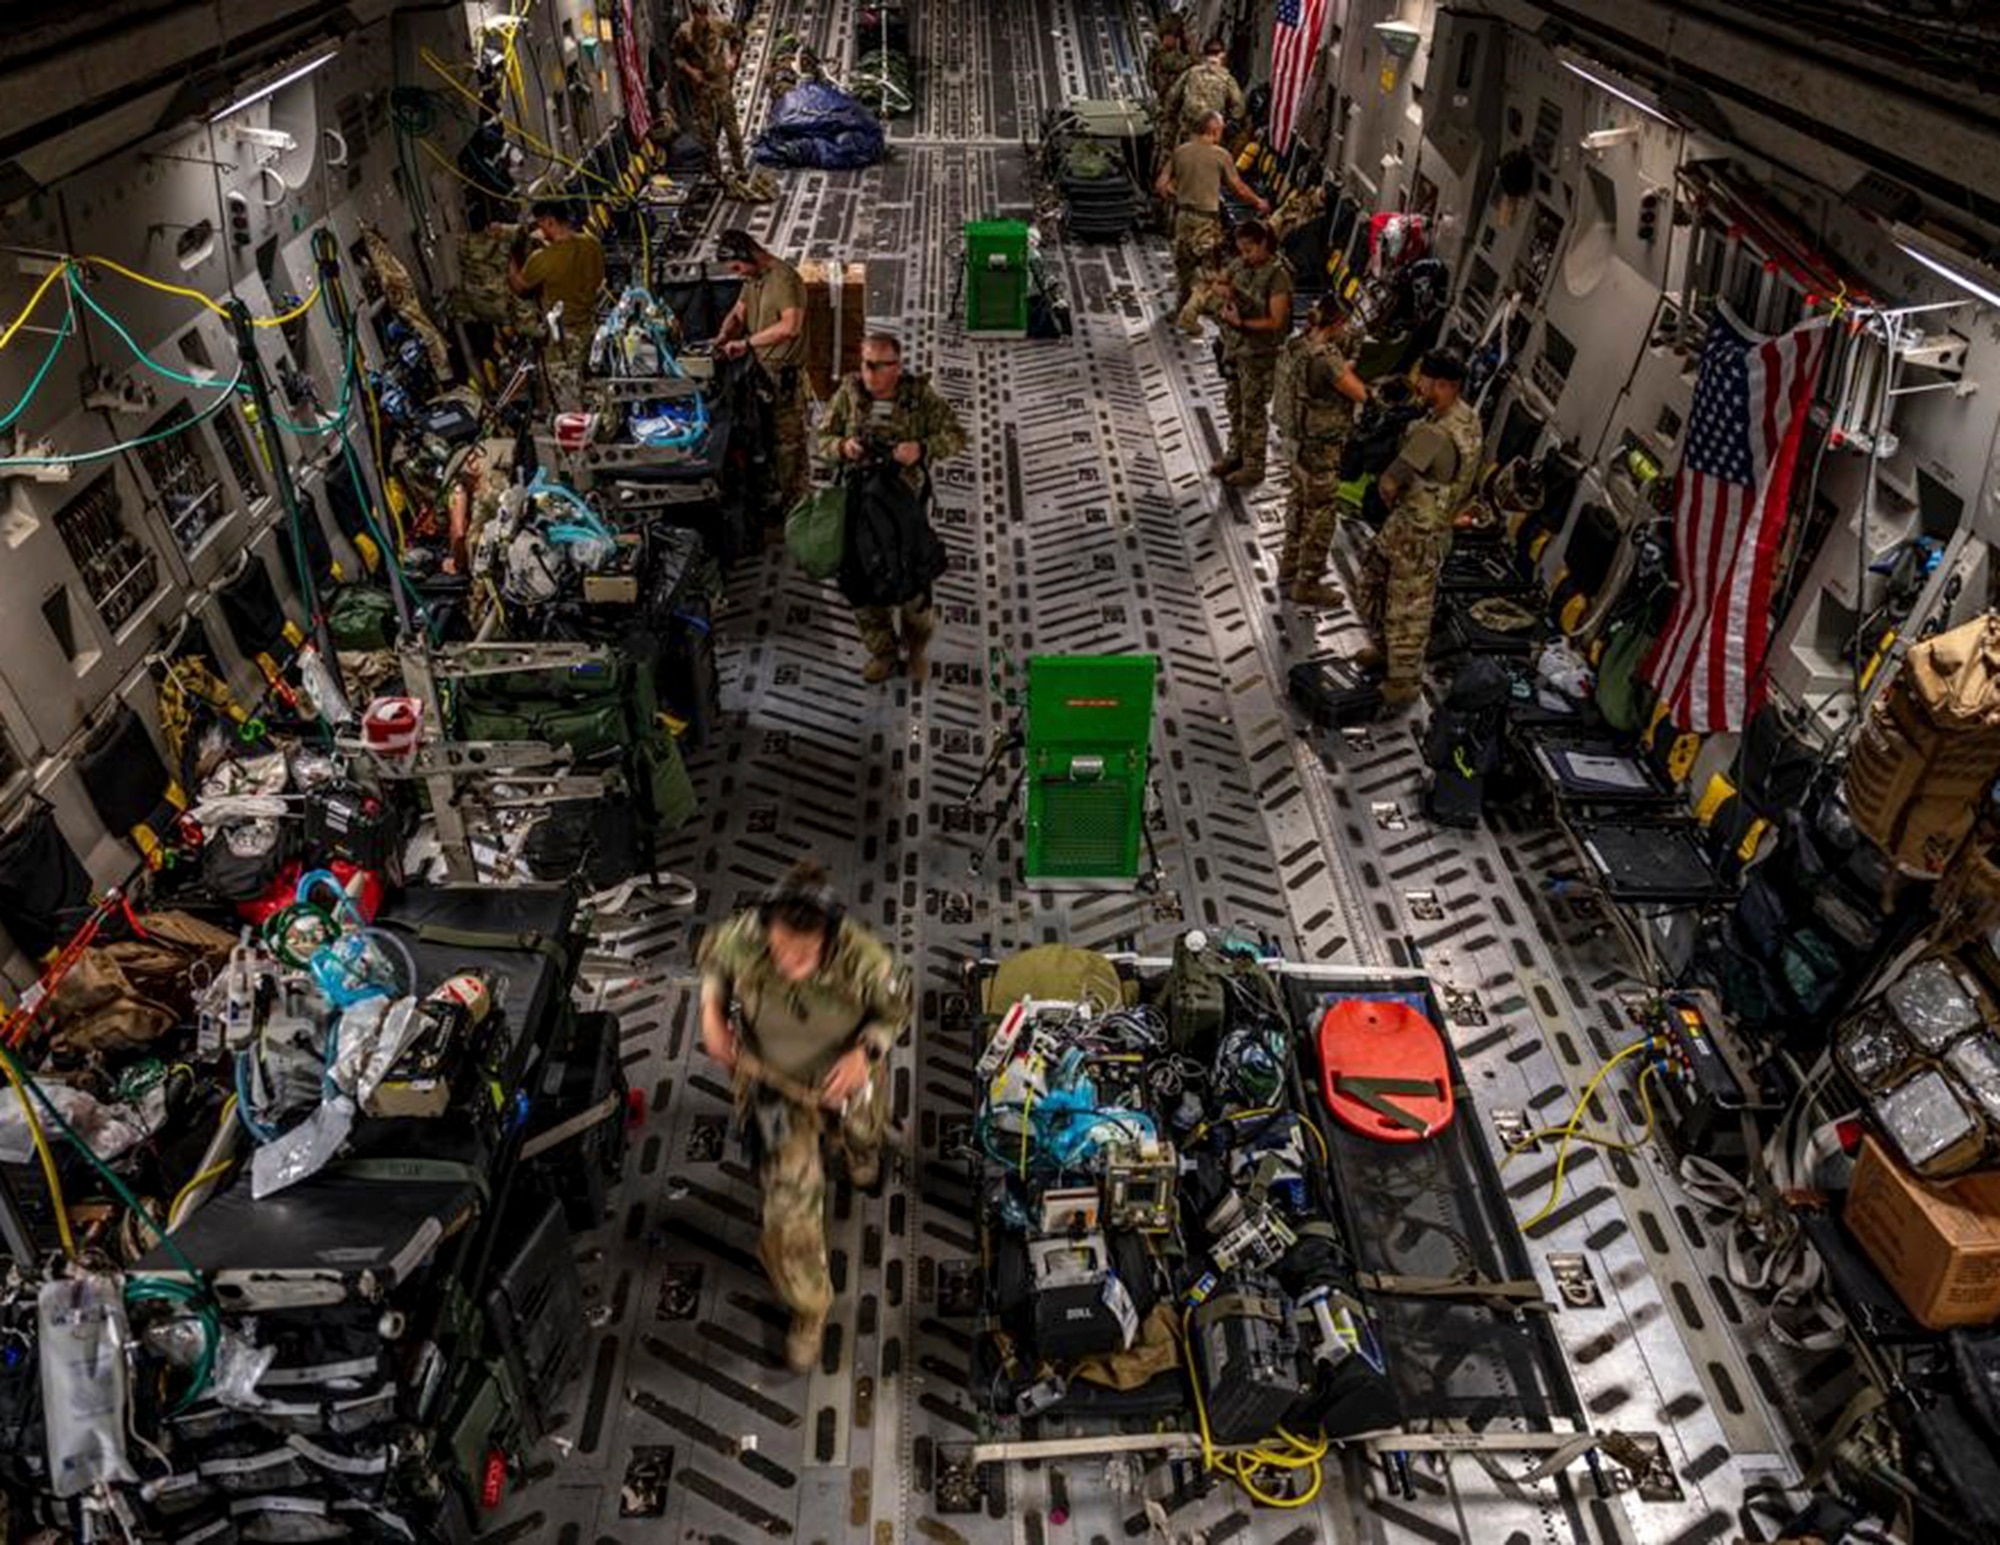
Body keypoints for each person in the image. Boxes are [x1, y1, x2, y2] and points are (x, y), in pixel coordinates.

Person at [697, 864, 912, 1373]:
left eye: (805, 953)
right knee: (787, 1206)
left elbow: (895, 1010)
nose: (791, 963)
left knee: (862, 1134)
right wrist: (711, 1011)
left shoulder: (864, 959)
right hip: (773, 1083)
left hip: (843, 1075)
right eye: (782, 948)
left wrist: (866, 1052)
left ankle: (862, 1152)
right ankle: (808, 1306)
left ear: (827, 940)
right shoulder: (746, 937)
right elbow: (714, 964)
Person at [817, 334, 966, 682]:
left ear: (895, 368)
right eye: (864, 363)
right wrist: (843, 446)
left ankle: (915, 650)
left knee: (913, 587)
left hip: (903, 512)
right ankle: (883, 653)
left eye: (876, 365)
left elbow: (955, 434)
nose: (867, 373)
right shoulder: (849, 397)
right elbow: (822, 439)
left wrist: (922, 449)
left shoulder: (918, 399)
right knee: (862, 590)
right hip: (860, 509)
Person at [1356, 348, 1484, 704]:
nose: (1417, 383)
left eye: (1423, 379)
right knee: (1379, 583)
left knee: (1406, 607)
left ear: (1441, 384)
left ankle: (1404, 682)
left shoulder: (1434, 433)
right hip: (1434, 525)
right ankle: (1389, 656)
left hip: (1415, 531)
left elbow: (1389, 484)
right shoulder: (1467, 420)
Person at [1277, 297, 1370, 606]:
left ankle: (1288, 565)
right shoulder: (1328, 357)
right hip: (1321, 449)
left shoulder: (1297, 345)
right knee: (1321, 515)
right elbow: (1359, 393)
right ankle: (1308, 582)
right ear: (1338, 325)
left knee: (1298, 503)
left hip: (1297, 443)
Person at [713, 228, 810, 523]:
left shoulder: (783, 279)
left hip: (784, 376)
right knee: (764, 440)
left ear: (749, 255)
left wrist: (746, 343)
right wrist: (723, 335)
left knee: (788, 446)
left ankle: (797, 510)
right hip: (761, 374)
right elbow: (739, 312)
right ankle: (775, 500)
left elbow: (790, 326)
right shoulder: (753, 279)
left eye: (739, 268)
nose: (739, 274)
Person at [1154, 110, 1268, 314]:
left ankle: (1181, 306)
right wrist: (1258, 202)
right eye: (1221, 131)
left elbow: (1161, 185)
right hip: (1205, 221)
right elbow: (1238, 188)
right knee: (1210, 272)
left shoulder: (1180, 151)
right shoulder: (1220, 155)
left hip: (1182, 218)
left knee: (1184, 267)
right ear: (1213, 130)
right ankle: (1193, 313)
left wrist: (1179, 196)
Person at [1214, 220, 1292, 489]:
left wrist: (1242, 324)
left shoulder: (1277, 276)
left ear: (1263, 244)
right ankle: (1235, 455)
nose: (1244, 256)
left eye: (1249, 250)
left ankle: (1253, 466)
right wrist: (1225, 291)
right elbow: (1222, 280)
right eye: (1241, 250)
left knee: (1253, 412)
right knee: (1234, 405)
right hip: (1236, 350)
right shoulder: (1242, 265)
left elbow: (1275, 322)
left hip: (1260, 355)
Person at [507, 199, 605, 411]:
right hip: (590, 327)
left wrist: (509, 259)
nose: (539, 229)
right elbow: (598, 279)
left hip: (562, 340)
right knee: (588, 384)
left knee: (563, 395)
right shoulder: (592, 244)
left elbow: (520, 287)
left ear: (550, 222)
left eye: (540, 224)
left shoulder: (541, 259)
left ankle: (571, 432)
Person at [673, 0, 746, 183]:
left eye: (704, 14)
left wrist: (733, 57)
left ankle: (740, 167)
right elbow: (677, 57)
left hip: (720, 81)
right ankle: (715, 172)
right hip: (702, 85)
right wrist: (691, 71)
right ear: (693, 14)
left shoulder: (719, 25)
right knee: (707, 131)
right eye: (698, 14)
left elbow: (737, 36)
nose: (702, 19)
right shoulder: (685, 33)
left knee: (731, 126)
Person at [1161, 36, 1246, 146]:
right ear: (1223, 55)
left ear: (1204, 54)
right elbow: (1239, 107)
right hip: (1212, 138)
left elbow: (1171, 100)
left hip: (1188, 137)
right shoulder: (1227, 79)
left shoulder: (1190, 73)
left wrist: (1170, 130)